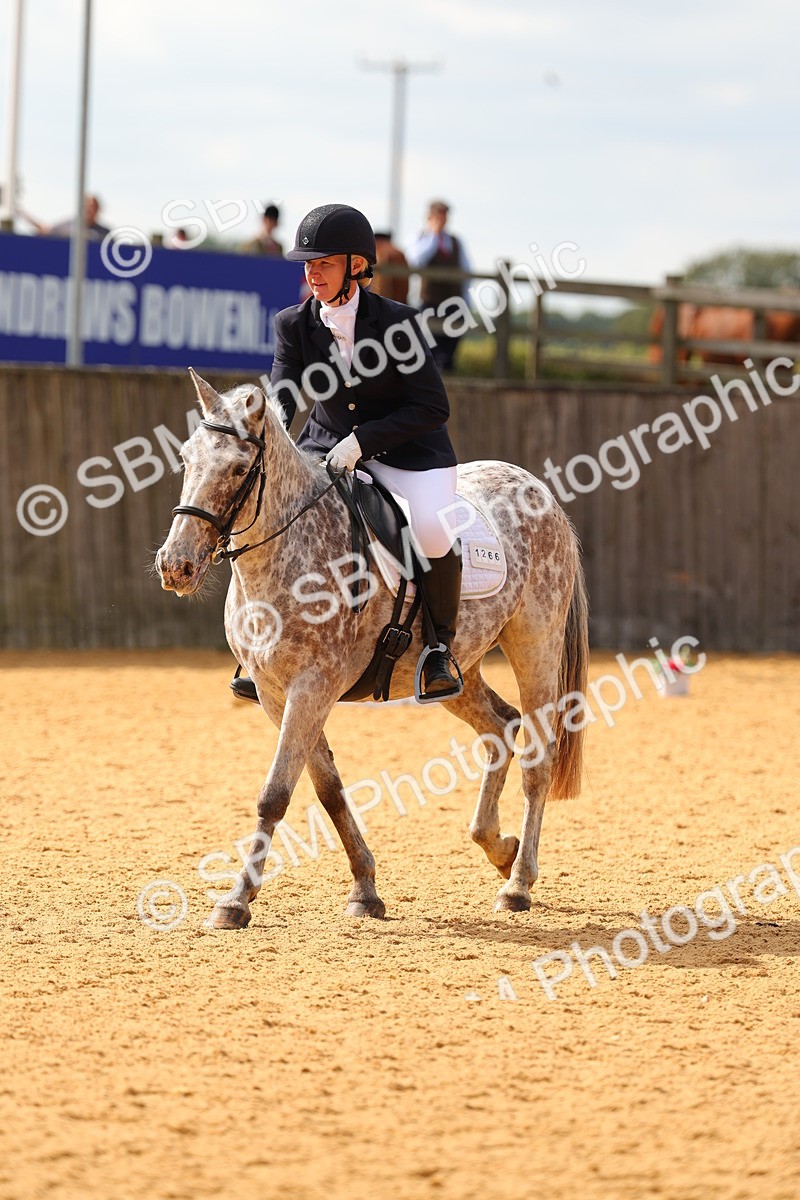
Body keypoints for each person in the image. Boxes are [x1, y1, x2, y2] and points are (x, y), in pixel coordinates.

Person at [234, 202, 462, 702]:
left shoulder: (400, 322)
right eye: (308, 264)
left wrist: (364, 442)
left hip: (410, 452)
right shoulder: (293, 324)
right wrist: (262, 436)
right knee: (277, 513)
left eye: (325, 263)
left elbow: (432, 406)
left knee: (431, 529)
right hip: (327, 446)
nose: (313, 273)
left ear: (356, 265)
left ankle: (440, 651)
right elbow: (285, 398)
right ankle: (257, 649)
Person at [406, 200, 470, 371]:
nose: (442, 220)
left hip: (454, 302)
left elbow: (466, 272)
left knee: (450, 348)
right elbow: (416, 261)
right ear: (429, 217)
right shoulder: (419, 238)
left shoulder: (456, 242)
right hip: (429, 301)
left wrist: (467, 301)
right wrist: (434, 236)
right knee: (429, 345)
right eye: (438, 216)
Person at [39, 194, 111, 241]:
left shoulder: (105, 232)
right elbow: (46, 231)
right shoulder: (67, 226)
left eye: (93, 207)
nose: (90, 211)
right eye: (88, 207)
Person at [371, 230, 410, 303]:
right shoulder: (399, 252)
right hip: (401, 303)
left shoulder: (379, 251)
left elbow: (382, 285)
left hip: (383, 304)